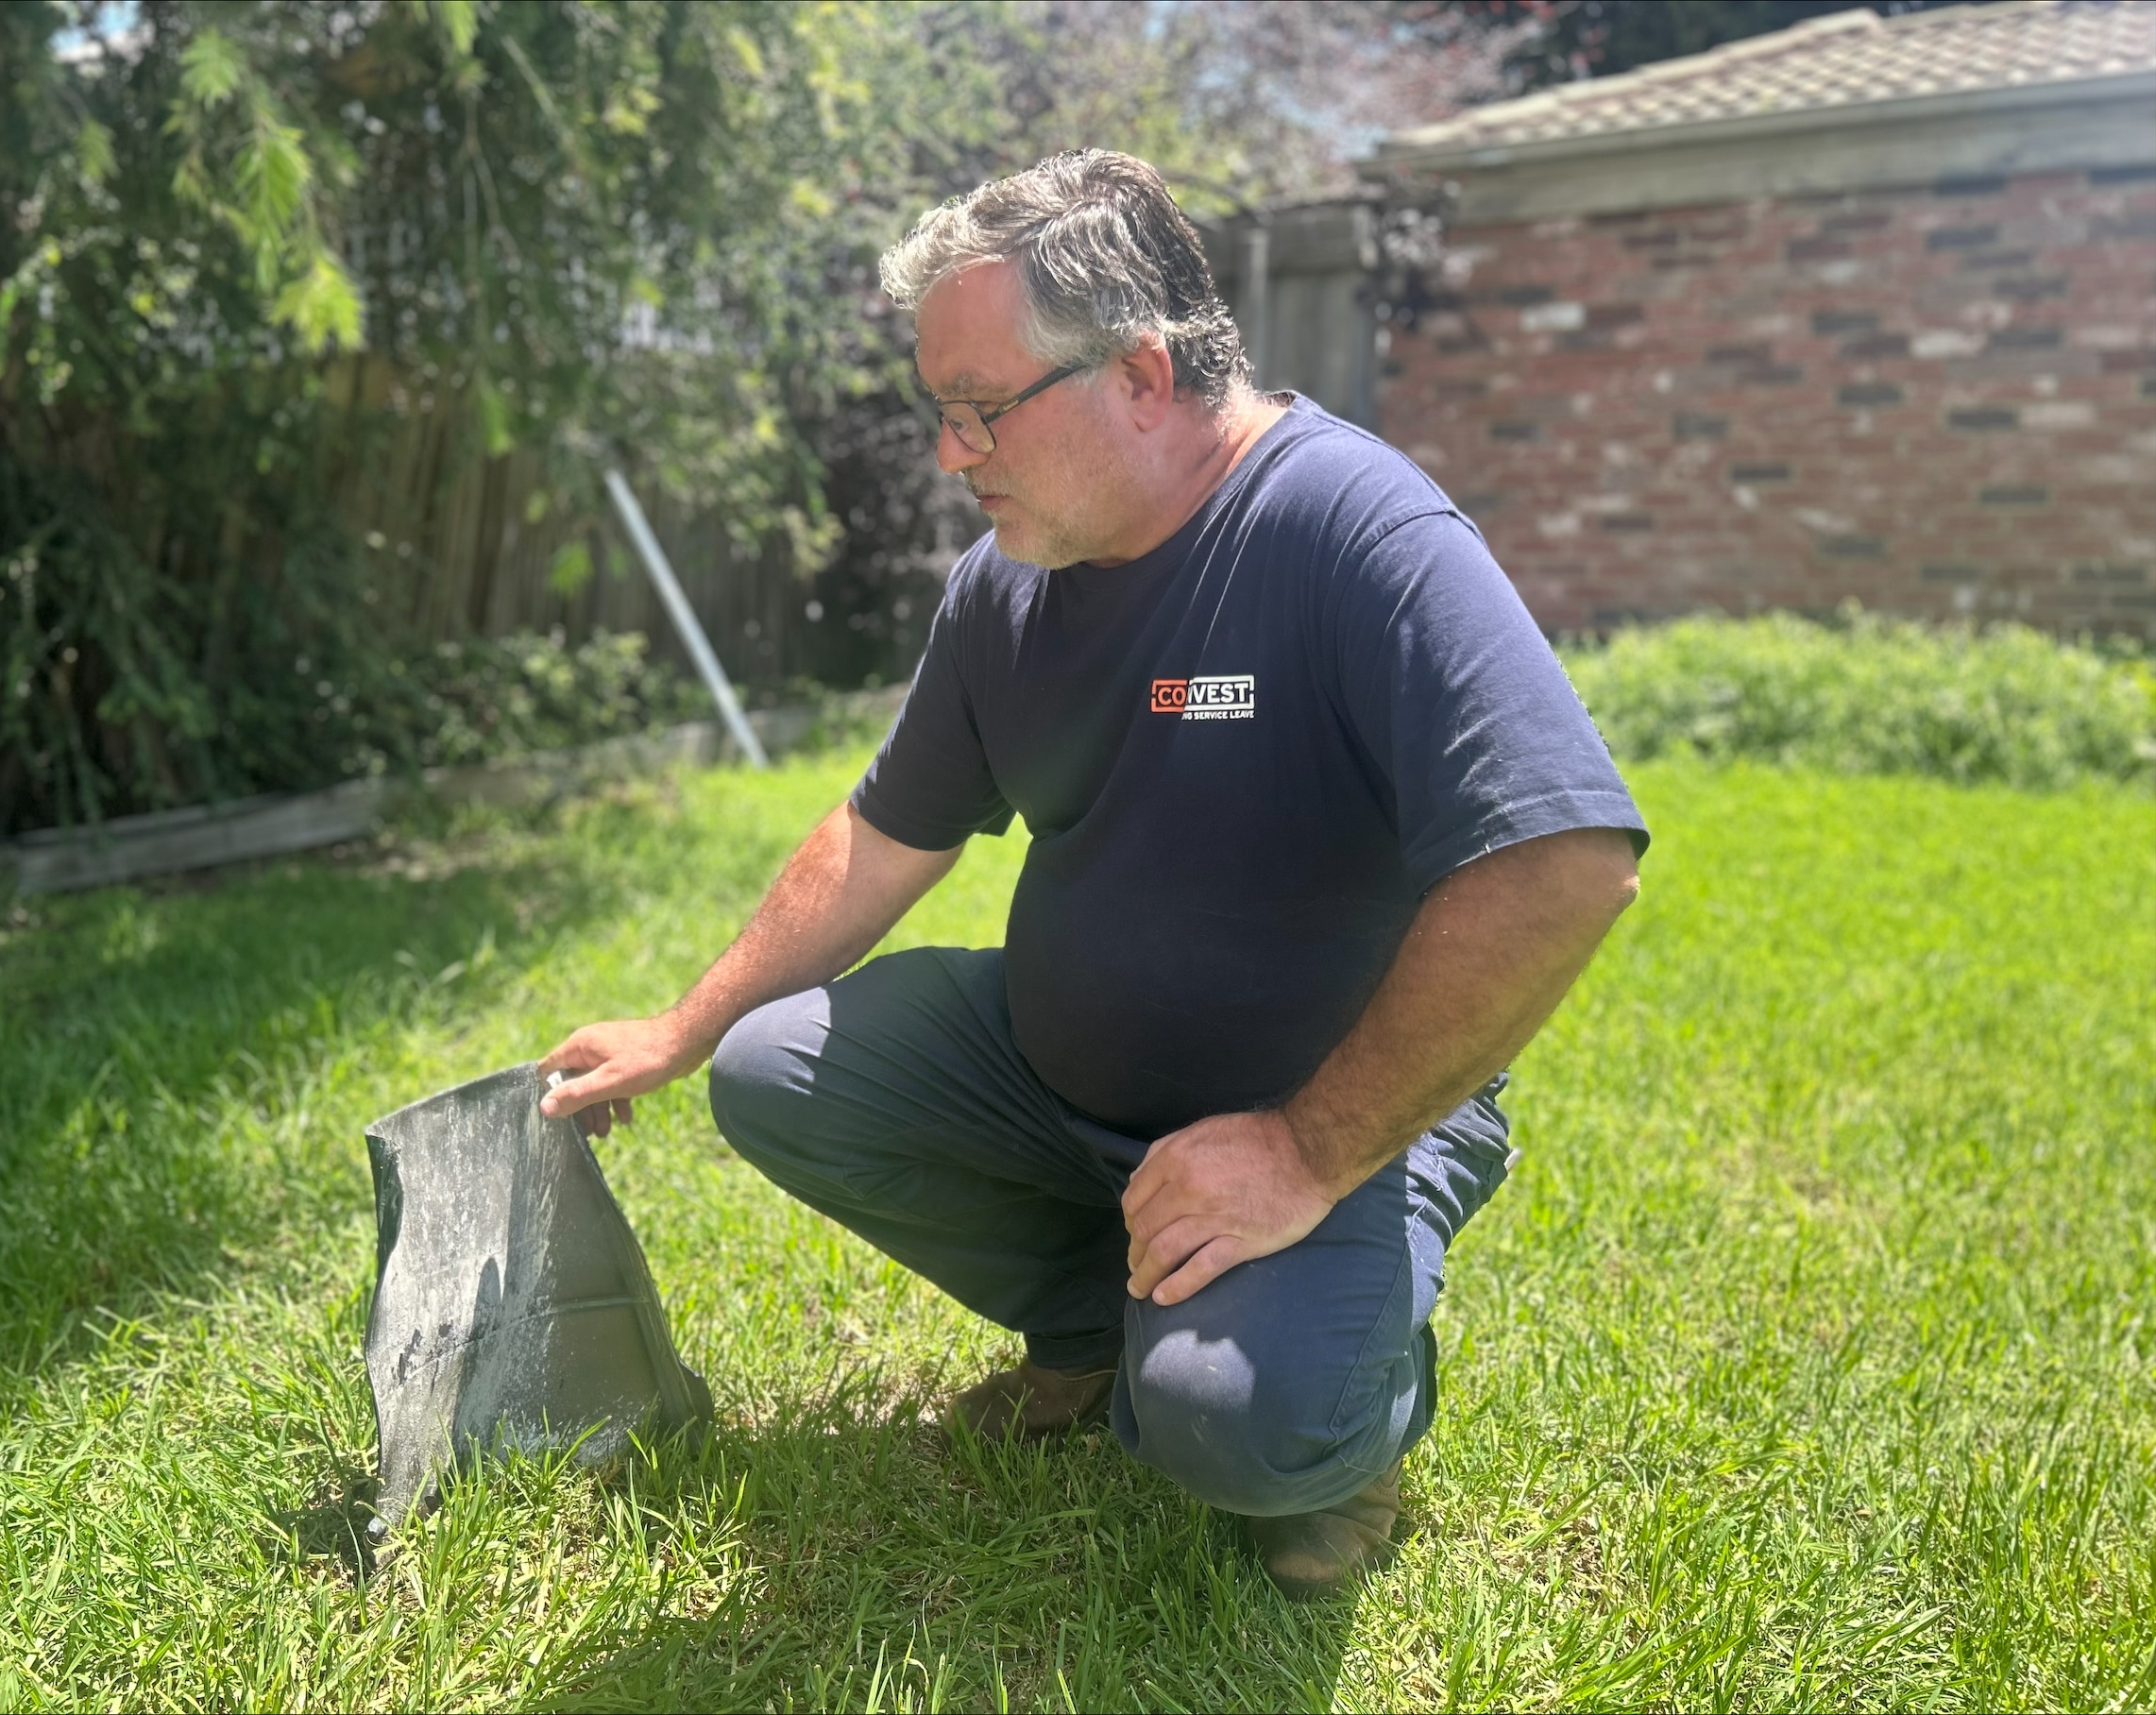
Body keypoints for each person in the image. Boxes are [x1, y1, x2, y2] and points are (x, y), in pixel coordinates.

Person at [539, 149, 1646, 1600]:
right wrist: (680, 1029)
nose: (954, 453)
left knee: (1241, 1432)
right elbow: (885, 832)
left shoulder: (1351, 532)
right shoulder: (1011, 586)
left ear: (1138, 373)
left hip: (1312, 1117)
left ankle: (1344, 1424)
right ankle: (1089, 1323)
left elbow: (1565, 858)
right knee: (771, 1067)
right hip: (1056, 1078)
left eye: (981, 410)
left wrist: (1309, 1152)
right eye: (940, 413)